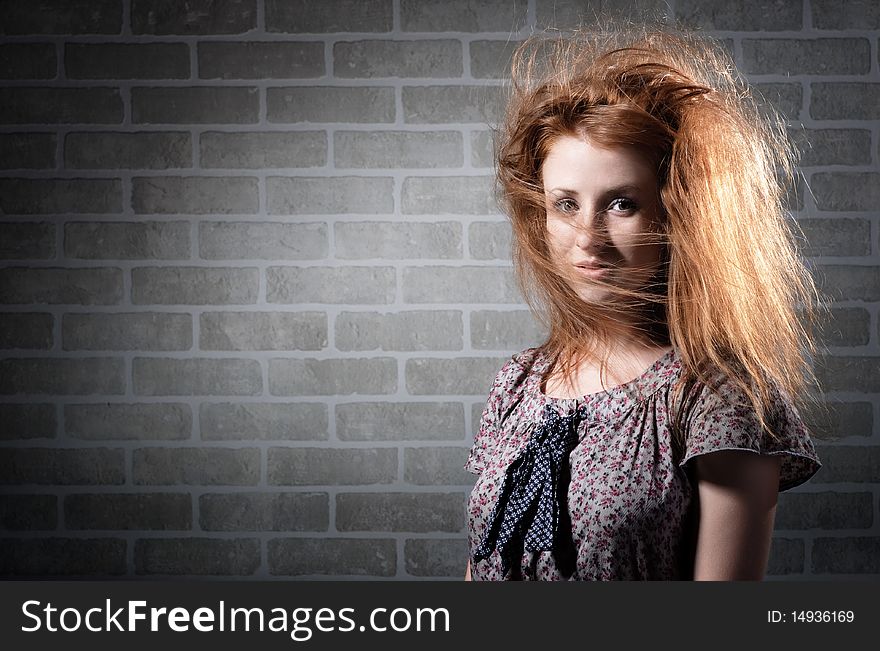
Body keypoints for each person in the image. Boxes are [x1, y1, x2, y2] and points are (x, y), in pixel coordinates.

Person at [463, 22, 823, 581]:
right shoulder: (516, 384)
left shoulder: (718, 397)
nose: (587, 235)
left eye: (622, 203)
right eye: (565, 204)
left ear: (678, 215)